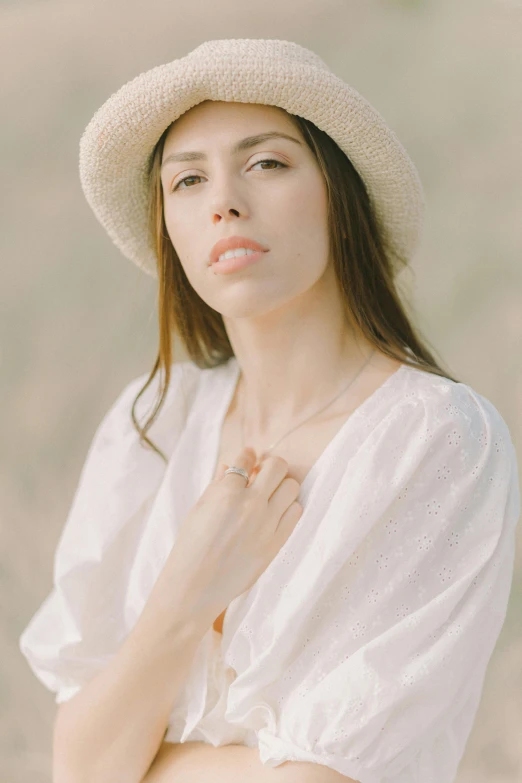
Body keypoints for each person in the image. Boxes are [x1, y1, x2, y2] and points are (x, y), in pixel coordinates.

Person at [19, 38, 520, 783]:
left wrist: (146, 757)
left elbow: (326, 776)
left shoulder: (436, 438)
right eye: (187, 179)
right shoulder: (150, 426)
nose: (223, 200)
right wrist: (187, 590)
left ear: (338, 194)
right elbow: (77, 765)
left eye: (267, 162)